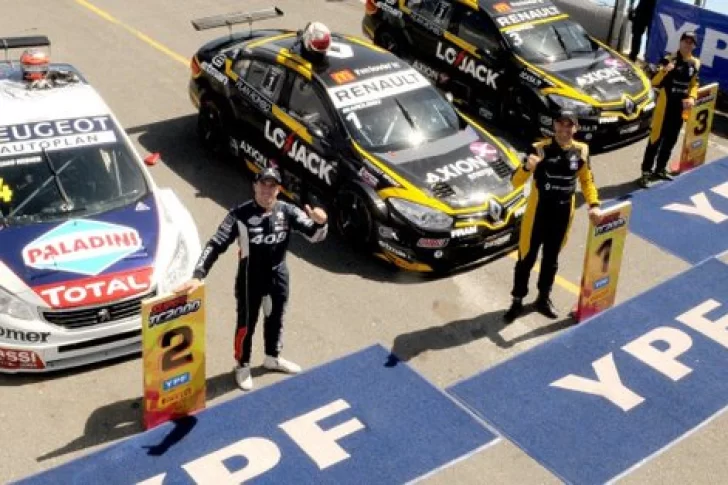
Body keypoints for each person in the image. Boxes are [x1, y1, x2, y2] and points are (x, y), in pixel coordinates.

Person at [174, 167, 328, 391]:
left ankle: (272, 357)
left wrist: (321, 222)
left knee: (276, 317)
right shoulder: (239, 214)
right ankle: (242, 364)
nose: (267, 189)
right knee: (246, 324)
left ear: (278, 189)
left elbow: (314, 235)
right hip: (250, 278)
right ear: (254, 186)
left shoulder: (287, 211)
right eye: (263, 184)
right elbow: (216, 243)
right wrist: (199, 274)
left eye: (272, 185)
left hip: (278, 274)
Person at [504, 111, 602, 323]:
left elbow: (587, 180)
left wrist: (594, 205)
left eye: (569, 126)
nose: (564, 131)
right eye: (561, 125)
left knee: (551, 260)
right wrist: (527, 167)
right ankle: (517, 300)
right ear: (554, 126)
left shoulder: (582, 150)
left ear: (575, 128)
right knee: (526, 258)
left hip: (563, 214)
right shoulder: (539, 148)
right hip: (537, 215)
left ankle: (543, 298)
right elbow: (515, 182)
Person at [639, 31, 700, 188]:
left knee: (671, 140)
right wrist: (665, 70)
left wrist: (692, 97)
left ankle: (660, 169)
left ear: (694, 45)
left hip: (680, 110)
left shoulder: (695, 63)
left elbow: (694, 84)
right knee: (655, 139)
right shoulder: (668, 59)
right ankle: (646, 172)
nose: (687, 44)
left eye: (691, 42)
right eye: (685, 41)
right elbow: (654, 82)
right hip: (664, 107)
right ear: (680, 42)